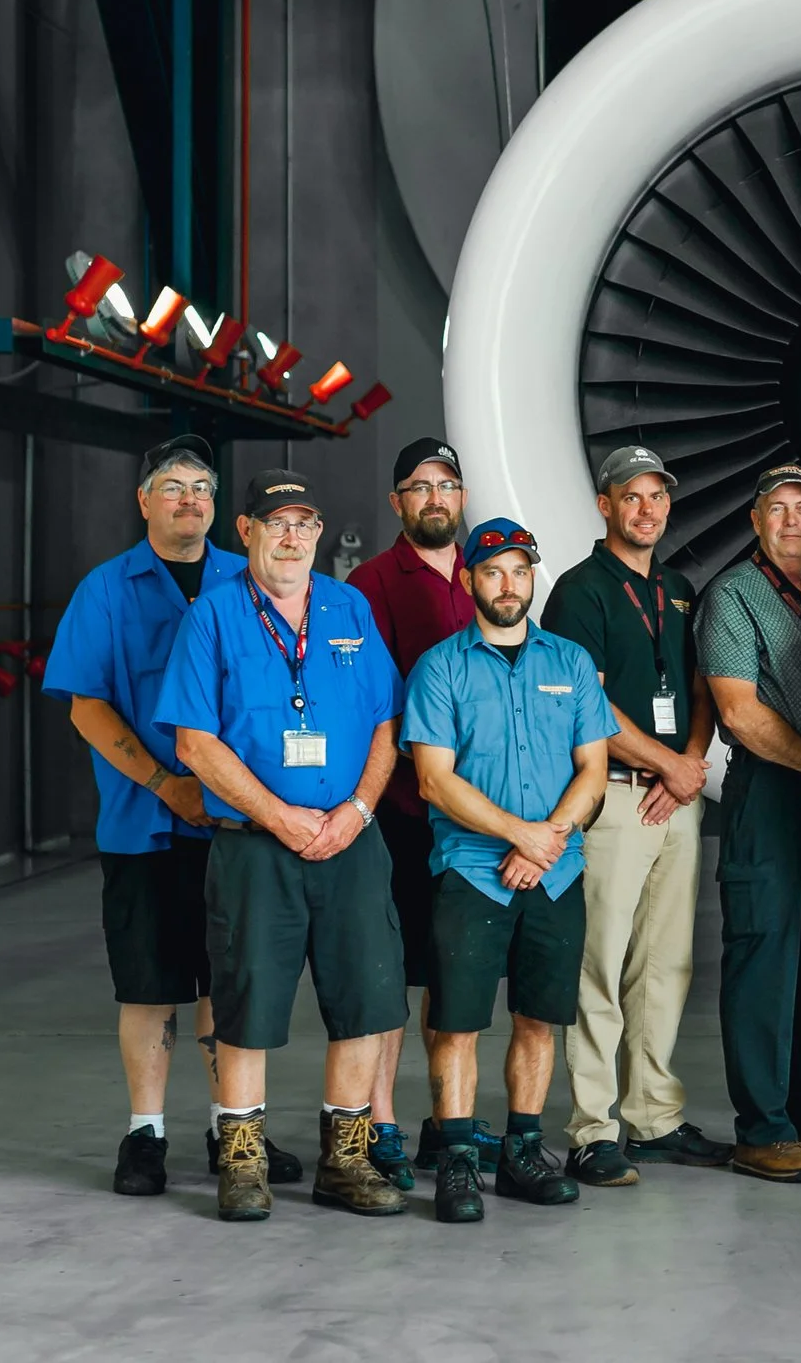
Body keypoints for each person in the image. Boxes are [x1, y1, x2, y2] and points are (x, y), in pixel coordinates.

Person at [44, 435, 305, 1198]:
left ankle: (234, 1126)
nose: (189, 499)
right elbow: (87, 708)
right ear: (143, 501)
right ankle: (145, 1133)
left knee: (228, 981)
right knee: (149, 984)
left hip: (234, 827)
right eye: (172, 486)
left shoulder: (246, 580)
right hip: (145, 827)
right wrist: (166, 783)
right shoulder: (106, 590)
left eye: (201, 487)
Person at [153, 468, 408, 1223]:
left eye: (304, 523)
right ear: (246, 531)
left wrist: (357, 810)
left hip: (350, 842)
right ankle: (242, 1163)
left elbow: (386, 723)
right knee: (246, 1001)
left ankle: (346, 1161)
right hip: (255, 848)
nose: (292, 537)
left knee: (364, 999)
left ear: (318, 533)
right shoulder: (213, 616)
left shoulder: (349, 607)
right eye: (276, 523)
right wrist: (279, 817)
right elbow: (195, 743)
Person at [402, 518, 617, 1222]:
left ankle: (524, 1150)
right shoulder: (440, 667)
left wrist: (545, 841)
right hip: (471, 870)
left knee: (538, 1020)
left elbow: (593, 769)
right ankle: (458, 1159)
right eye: (493, 571)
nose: (508, 584)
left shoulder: (571, 663)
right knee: (457, 1025)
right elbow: (434, 779)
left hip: (555, 871)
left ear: (532, 578)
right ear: (470, 579)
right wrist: (518, 835)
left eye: (520, 571)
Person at [540, 446, 730, 1186]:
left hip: (675, 797)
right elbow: (585, 703)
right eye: (632, 496)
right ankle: (593, 1128)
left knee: (665, 964)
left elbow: (701, 687)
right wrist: (665, 764)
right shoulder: (578, 591)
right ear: (605, 505)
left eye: (657, 496)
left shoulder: (678, 589)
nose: (647, 510)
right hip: (617, 797)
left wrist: (689, 764)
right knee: (601, 964)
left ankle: (652, 1114)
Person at [695, 464, 801, 1182]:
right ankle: (762, 1127)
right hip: (769, 793)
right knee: (764, 955)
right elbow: (739, 712)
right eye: (777, 508)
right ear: (757, 520)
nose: (791, 519)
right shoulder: (733, 595)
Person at [346, 435, 477, 1190]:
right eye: (420, 486)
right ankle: (382, 1123)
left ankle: (444, 1122)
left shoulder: (487, 573)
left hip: (472, 818)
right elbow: (372, 706)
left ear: (462, 497)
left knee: (450, 975)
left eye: (446, 485)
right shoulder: (370, 583)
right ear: (397, 501)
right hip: (400, 811)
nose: (435, 498)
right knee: (389, 975)